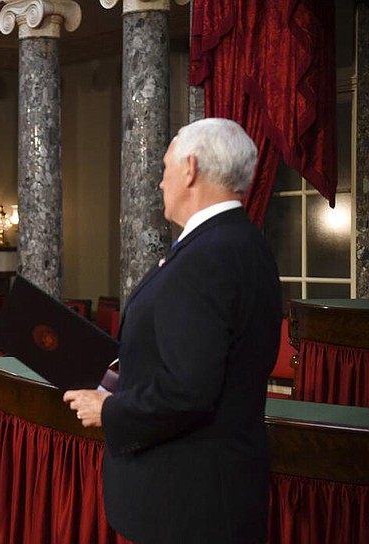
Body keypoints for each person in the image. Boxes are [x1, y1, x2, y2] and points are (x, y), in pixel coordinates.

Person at [63, 118, 282, 543]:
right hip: (215, 491)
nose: (160, 183)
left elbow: (188, 390)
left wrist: (107, 410)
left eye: (165, 169)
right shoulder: (243, 242)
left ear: (190, 169)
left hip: (186, 502)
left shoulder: (207, 257)